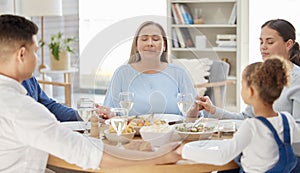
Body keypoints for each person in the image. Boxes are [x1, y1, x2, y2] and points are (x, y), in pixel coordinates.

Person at [0, 14, 181, 172]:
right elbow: (85, 153)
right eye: (36, 52)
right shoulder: (20, 109)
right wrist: (160, 157)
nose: (37, 59)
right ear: (21, 55)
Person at [196, 19, 300, 173]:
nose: (263, 47)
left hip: (284, 159)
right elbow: (246, 117)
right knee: (226, 164)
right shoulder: (262, 74)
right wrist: (214, 110)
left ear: (288, 44)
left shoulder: (297, 80)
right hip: (259, 151)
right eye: (261, 42)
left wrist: (260, 136)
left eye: (270, 42)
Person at [179, 57, 300, 172]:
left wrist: (183, 150)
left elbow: (221, 156)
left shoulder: (251, 126)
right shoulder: (287, 120)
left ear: (251, 91)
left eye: (243, 85)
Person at [101, 21, 197, 116]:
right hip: (132, 131)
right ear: (136, 46)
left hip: (173, 130)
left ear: (164, 46)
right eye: (144, 39)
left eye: (155, 39)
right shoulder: (121, 73)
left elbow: (193, 114)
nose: (150, 43)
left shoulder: (179, 73)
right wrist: (107, 114)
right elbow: (109, 112)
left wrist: (196, 109)